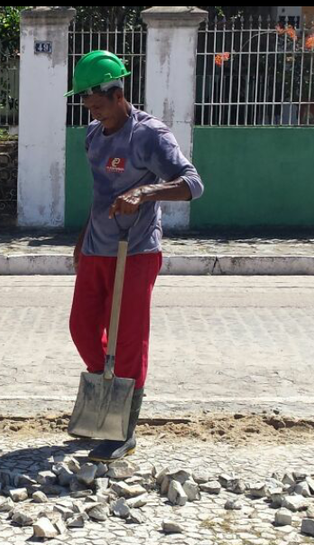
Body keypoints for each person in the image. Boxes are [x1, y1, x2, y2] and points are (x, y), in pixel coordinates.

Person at [65, 51, 204, 461]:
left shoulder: (150, 135)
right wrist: (82, 236)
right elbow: (100, 195)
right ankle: (105, 397)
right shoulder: (93, 136)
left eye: (99, 104)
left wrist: (145, 191)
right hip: (97, 247)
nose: (94, 113)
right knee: (82, 328)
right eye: (87, 104)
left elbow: (192, 183)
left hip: (136, 251)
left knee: (128, 340)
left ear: (118, 92)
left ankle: (123, 430)